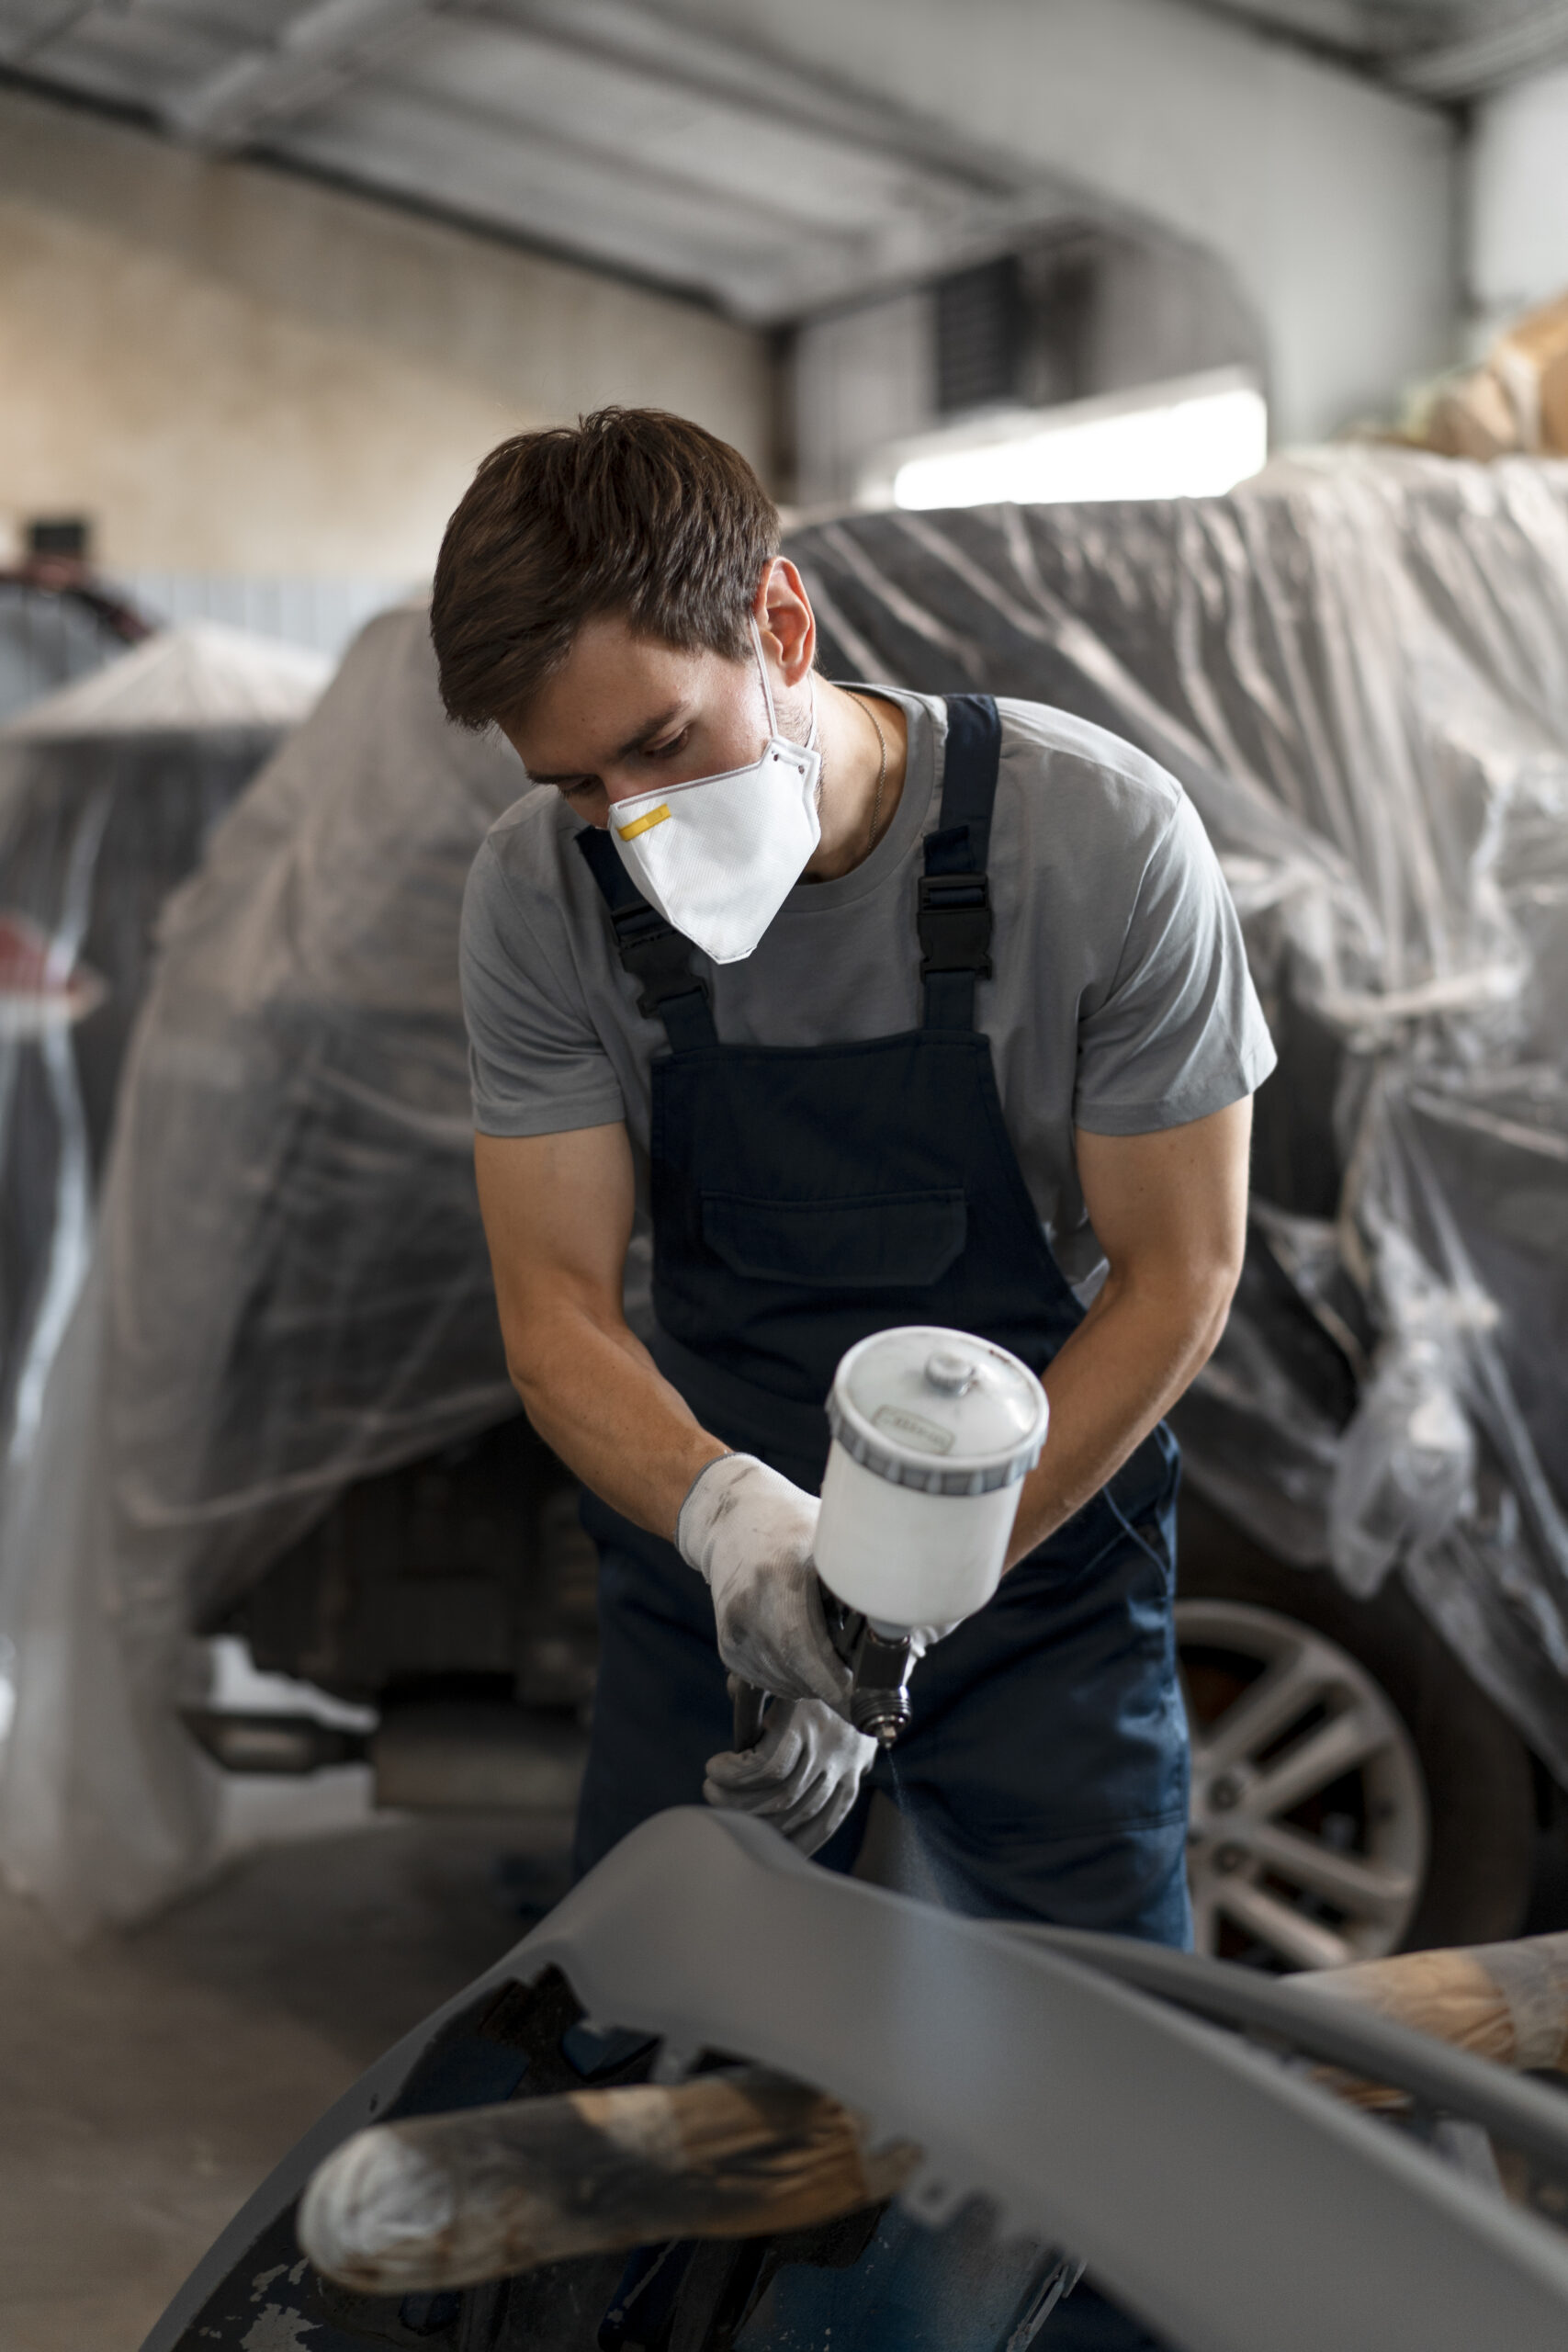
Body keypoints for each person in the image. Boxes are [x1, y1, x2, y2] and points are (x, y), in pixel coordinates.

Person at [435, 405, 1273, 1943]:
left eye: (663, 746)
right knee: (670, 2044)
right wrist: (742, 1538)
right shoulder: (536, 899)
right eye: (578, 787)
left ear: (779, 620)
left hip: (1039, 1555)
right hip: (719, 1556)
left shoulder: (1100, 841)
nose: (633, 827)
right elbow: (554, 1312)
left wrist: (900, 1594)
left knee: (1093, 2078)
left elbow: (1181, 1279)